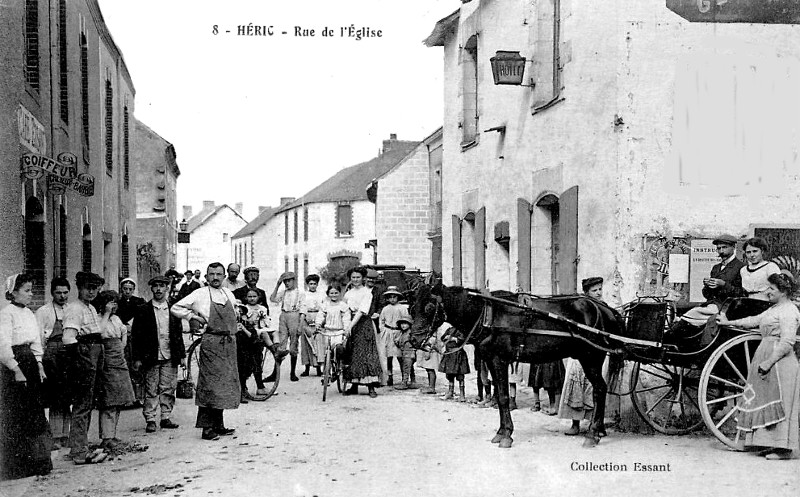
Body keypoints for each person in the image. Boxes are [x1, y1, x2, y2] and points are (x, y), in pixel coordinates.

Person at [717, 272, 800, 459]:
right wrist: (728, 322)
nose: (767, 291)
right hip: (766, 358)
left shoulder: (789, 311)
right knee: (764, 399)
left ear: (783, 291)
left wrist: (769, 362)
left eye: (772, 288)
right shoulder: (774, 309)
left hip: (780, 364)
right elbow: (753, 321)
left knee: (782, 403)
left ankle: (783, 449)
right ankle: (768, 444)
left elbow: (788, 342)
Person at [171, 262, 241, 441]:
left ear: (224, 276)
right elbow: (175, 308)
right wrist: (192, 316)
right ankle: (206, 428)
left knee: (225, 385)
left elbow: (235, 312)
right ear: (206, 276)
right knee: (210, 385)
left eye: (219, 274)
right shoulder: (200, 293)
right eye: (212, 274)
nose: (215, 278)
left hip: (228, 343)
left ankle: (219, 424)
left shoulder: (228, 294)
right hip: (211, 342)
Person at [0, 273, 52, 480]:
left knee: (34, 411)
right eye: (26, 290)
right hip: (14, 366)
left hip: (29, 362)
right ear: (13, 293)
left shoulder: (29, 314)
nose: (31, 294)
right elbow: (3, 345)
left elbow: (36, 342)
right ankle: (16, 465)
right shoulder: (6, 314)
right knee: (17, 414)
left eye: (31, 290)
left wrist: (38, 364)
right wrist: (16, 369)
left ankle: (37, 461)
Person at [130, 276, 186, 433]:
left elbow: (178, 333)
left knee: (168, 387)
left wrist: (181, 354)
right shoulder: (143, 310)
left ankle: (166, 417)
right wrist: (137, 358)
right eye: (156, 286)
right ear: (151, 289)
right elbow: (136, 336)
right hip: (151, 356)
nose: (159, 289)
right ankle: (150, 418)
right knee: (151, 388)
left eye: (162, 286)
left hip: (169, 354)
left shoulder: (173, 309)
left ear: (167, 288)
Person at [63, 271, 108, 464]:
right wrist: (82, 362)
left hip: (94, 351)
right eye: (88, 288)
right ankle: (79, 450)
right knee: (82, 403)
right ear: (79, 288)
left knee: (88, 403)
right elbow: (68, 338)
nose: (92, 292)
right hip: (84, 353)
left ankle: (79, 446)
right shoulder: (75, 308)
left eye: (95, 288)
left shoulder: (89, 307)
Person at [559, 277, 607, 435]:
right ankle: (575, 424)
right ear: (586, 293)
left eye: (600, 289)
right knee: (575, 389)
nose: (599, 293)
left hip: (593, 352)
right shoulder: (579, 308)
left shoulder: (602, 308)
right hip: (577, 355)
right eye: (595, 291)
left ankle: (595, 423)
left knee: (591, 387)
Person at [671, 235, 745, 332]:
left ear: (733, 247)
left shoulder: (741, 267)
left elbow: (742, 293)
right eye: (719, 248)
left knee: (690, 315)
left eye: (724, 247)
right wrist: (707, 286)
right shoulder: (716, 268)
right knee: (688, 320)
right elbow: (707, 295)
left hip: (728, 308)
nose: (721, 251)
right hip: (712, 305)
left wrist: (723, 284)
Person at [92, 290, 135, 451]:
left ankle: (112, 434)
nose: (113, 305)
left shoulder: (117, 319)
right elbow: (99, 332)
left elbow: (124, 332)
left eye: (115, 302)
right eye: (110, 302)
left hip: (119, 359)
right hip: (106, 360)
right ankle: (106, 437)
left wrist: (121, 345)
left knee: (119, 399)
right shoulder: (98, 318)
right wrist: (106, 313)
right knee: (108, 400)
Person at [35, 276, 72, 448]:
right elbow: (39, 337)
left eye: (65, 292)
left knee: (68, 396)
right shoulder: (43, 311)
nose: (62, 296)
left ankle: (66, 433)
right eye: (58, 293)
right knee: (56, 396)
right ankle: (56, 436)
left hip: (70, 355)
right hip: (52, 356)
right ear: (52, 293)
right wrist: (40, 359)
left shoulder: (72, 309)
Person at [238, 287, 287, 398]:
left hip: (261, 329)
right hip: (252, 332)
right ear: (246, 298)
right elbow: (247, 322)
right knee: (253, 361)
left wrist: (263, 318)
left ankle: (277, 349)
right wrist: (254, 316)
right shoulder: (244, 309)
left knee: (275, 332)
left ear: (258, 298)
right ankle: (248, 388)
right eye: (249, 297)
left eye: (254, 296)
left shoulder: (262, 308)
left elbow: (267, 321)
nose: (251, 299)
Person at [342, 267, 383, 397]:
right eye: (353, 277)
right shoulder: (348, 293)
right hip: (351, 323)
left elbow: (361, 311)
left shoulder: (367, 293)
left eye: (358, 277)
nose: (355, 280)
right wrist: (346, 326)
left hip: (364, 323)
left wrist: (350, 326)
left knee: (366, 354)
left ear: (363, 278)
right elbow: (344, 308)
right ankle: (354, 385)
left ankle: (371, 387)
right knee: (353, 354)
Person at [270, 271, 304, 382]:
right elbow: (272, 299)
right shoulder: (283, 292)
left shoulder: (300, 293)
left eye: (289, 281)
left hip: (295, 316)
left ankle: (292, 373)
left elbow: (303, 310)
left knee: (294, 344)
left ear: (294, 280)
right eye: (285, 281)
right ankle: (275, 373)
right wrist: (277, 284)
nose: (287, 283)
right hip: (284, 316)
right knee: (281, 344)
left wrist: (300, 325)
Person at [117, 278, 146, 407]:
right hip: (121, 336)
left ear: (133, 290)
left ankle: (138, 397)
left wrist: (132, 324)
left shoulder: (139, 302)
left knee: (137, 367)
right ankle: (126, 399)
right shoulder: (117, 302)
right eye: (125, 289)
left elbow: (143, 317)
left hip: (136, 337)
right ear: (121, 289)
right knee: (124, 366)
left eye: (130, 289)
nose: (127, 291)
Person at [314, 285, 351, 375]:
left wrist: (346, 329)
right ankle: (327, 370)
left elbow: (346, 318)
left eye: (336, 293)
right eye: (331, 293)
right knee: (327, 350)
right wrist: (318, 325)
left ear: (339, 294)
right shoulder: (325, 305)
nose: (334, 295)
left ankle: (340, 365)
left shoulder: (343, 306)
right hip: (327, 331)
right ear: (328, 294)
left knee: (339, 348)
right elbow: (320, 315)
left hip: (339, 331)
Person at [378, 286, 404, 386]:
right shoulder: (385, 309)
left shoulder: (402, 308)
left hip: (398, 332)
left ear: (398, 298)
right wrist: (383, 329)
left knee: (400, 356)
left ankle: (404, 377)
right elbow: (381, 321)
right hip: (388, 332)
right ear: (387, 298)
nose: (392, 299)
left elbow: (406, 320)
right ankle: (390, 376)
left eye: (394, 297)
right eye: (390, 297)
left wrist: (402, 332)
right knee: (388, 357)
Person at [740, 237, 781, 301]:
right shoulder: (743, 270)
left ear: (762, 251)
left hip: (765, 301)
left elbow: (778, 288)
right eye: (748, 252)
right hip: (747, 302)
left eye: (755, 251)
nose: (752, 255)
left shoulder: (770, 267)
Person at [299, 274, 324, 377]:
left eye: (314, 284)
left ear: (317, 284)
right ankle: (307, 368)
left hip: (318, 317)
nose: (312, 286)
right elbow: (302, 307)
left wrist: (319, 319)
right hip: (306, 317)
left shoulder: (321, 295)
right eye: (310, 284)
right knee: (306, 344)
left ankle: (318, 368)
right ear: (307, 284)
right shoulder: (304, 295)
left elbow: (323, 308)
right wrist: (305, 318)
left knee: (317, 343)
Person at [439, 323, 470, 402]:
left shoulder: (461, 329)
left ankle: (462, 395)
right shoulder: (449, 329)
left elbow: (463, 339)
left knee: (460, 375)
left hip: (458, 354)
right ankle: (450, 392)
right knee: (449, 375)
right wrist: (445, 337)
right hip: (449, 354)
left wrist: (454, 338)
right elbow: (442, 337)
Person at [392, 310, 416, 390]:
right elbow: (400, 343)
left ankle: (405, 383)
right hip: (403, 352)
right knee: (408, 367)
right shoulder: (401, 333)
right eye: (402, 324)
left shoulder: (411, 334)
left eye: (405, 323)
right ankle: (413, 382)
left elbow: (414, 344)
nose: (403, 325)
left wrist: (414, 352)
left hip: (409, 352)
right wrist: (397, 341)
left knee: (406, 368)